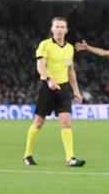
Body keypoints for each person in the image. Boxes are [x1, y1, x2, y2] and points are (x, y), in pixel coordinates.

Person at [23, 17, 85, 167]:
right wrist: (49, 80)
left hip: (63, 89)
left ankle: (70, 158)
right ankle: (27, 155)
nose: (59, 29)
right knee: (38, 122)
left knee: (66, 122)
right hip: (48, 88)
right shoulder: (45, 45)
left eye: (62, 27)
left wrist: (76, 91)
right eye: (56, 26)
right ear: (52, 29)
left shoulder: (70, 48)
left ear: (66, 30)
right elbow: (40, 66)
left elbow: (71, 71)